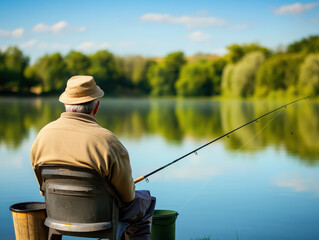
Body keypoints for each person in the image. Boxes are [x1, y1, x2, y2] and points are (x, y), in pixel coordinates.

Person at [30, 75, 156, 240]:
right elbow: (127, 197)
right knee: (145, 201)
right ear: (96, 107)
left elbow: (42, 189)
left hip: (58, 214)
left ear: (65, 105)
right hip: (102, 219)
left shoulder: (42, 136)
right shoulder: (108, 141)